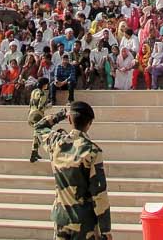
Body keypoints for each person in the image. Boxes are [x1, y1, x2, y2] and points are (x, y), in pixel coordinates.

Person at [33, 101, 112, 240]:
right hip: (84, 224)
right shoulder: (92, 151)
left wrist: (62, 114)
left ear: (70, 119)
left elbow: (39, 127)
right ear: (89, 124)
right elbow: (99, 194)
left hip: (61, 219)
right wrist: (106, 230)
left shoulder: (56, 143)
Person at [28, 77, 50, 163]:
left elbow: (31, 103)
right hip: (38, 115)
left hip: (31, 114)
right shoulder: (42, 94)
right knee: (39, 133)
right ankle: (34, 151)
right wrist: (48, 106)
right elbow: (40, 107)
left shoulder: (34, 92)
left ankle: (35, 151)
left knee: (36, 133)